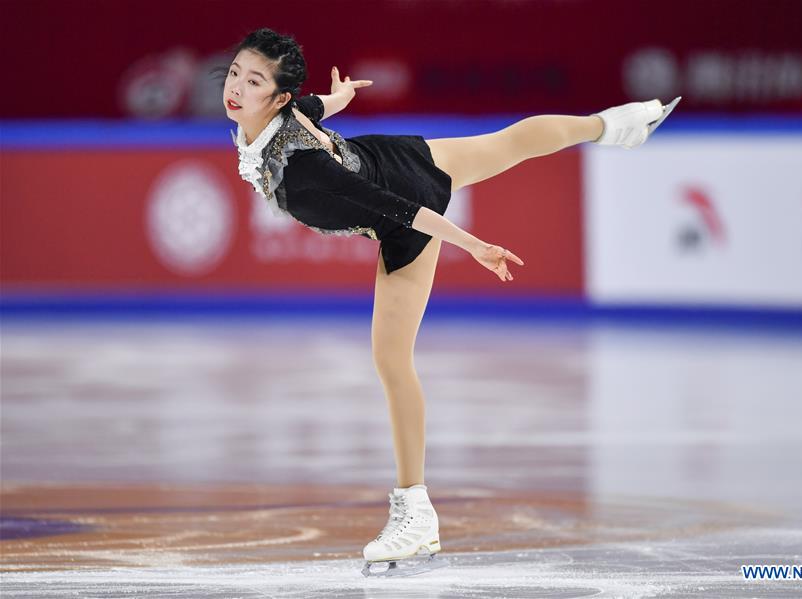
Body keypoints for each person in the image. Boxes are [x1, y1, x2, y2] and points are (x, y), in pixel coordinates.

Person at [219, 27, 678, 577]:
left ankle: (415, 511)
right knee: (507, 142)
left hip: (401, 207)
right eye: (235, 75)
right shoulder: (270, 122)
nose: (237, 89)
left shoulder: (304, 167)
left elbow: (395, 209)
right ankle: (616, 125)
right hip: (394, 156)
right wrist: (337, 101)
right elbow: (312, 107)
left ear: (278, 98)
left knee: (392, 361)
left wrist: (474, 245)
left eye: (254, 81)